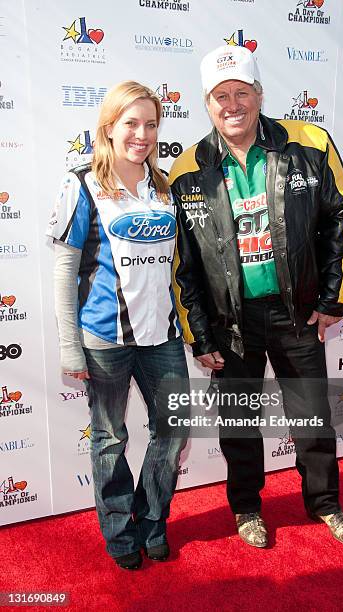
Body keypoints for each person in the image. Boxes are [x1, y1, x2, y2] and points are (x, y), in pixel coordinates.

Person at [169, 46, 343, 548]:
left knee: (311, 418)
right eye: (220, 96)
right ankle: (247, 509)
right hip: (229, 322)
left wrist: (331, 300)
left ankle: (325, 504)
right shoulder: (188, 168)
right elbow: (182, 263)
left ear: (259, 95)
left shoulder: (309, 142)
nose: (232, 104)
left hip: (297, 313)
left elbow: (342, 221)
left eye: (241, 92)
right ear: (207, 104)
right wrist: (199, 334)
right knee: (238, 424)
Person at [47, 81, 189, 569]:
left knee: (172, 431)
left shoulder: (166, 186)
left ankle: (152, 522)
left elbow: (180, 269)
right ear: (109, 127)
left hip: (163, 337)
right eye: (131, 123)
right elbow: (65, 272)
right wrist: (70, 348)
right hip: (104, 339)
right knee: (110, 439)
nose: (142, 134)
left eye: (151, 124)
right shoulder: (81, 183)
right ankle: (120, 534)